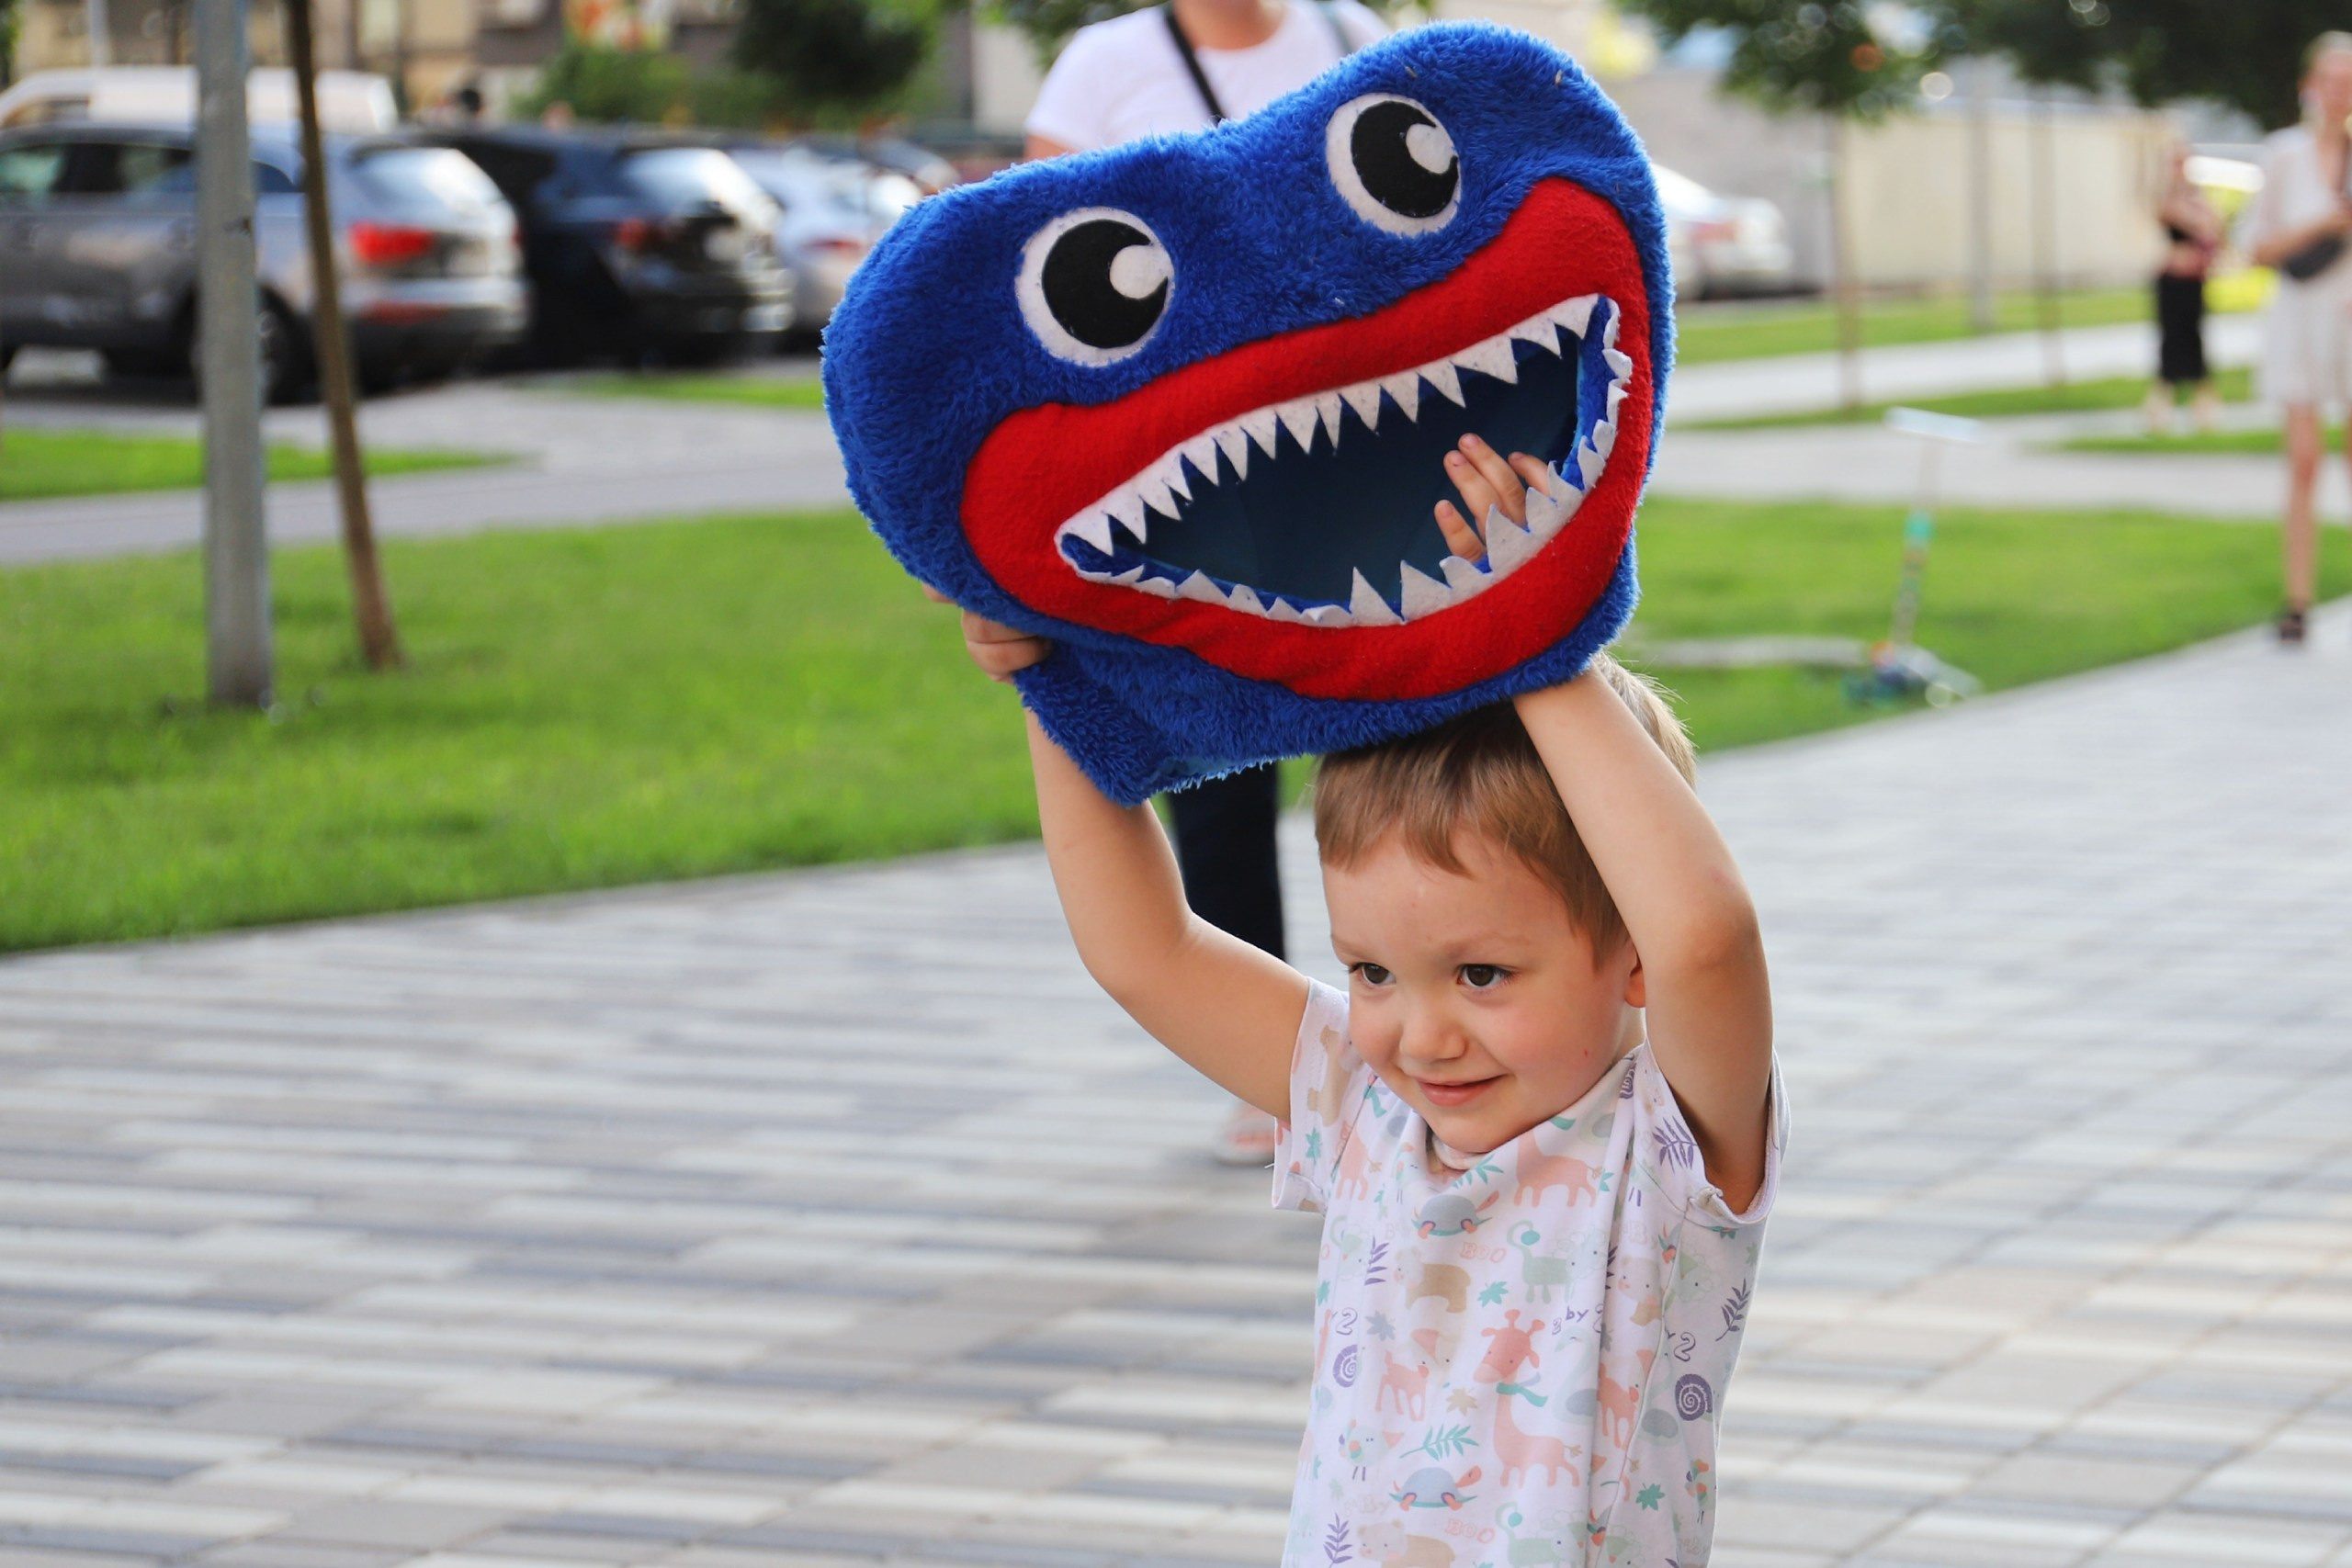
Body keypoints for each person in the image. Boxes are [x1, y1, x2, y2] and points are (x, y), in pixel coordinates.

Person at [946, 433, 1781, 1564]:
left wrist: (1538, 646)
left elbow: (1708, 937)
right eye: (1371, 971)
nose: (1420, 1032)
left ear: (1628, 955)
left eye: (1481, 975)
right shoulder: (1363, 1105)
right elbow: (1142, 951)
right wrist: (1050, 688)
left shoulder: (1664, 1150)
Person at [1023, 0, 1385, 1165]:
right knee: (1221, 765)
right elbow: (1025, 276)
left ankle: (1426, 1029)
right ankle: (1274, 1076)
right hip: (1188, 465)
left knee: (1394, 752)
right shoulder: (1103, 66)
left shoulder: (1347, 31)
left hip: (1345, 434)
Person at [2242, 31, 2352, 646]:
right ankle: (2299, 600)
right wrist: (2322, 223)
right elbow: (2256, 246)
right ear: (2312, 84)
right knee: (2304, 463)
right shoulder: (2285, 154)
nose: (2341, 93)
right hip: (2301, 320)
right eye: (2332, 80)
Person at [2148, 141, 2222, 435]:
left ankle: (2203, 406)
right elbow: (2166, 215)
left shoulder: (2199, 198)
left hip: (2194, 279)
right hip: (2171, 278)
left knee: (2195, 338)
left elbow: (2212, 228)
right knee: (2169, 339)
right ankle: (2160, 405)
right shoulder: (2169, 197)